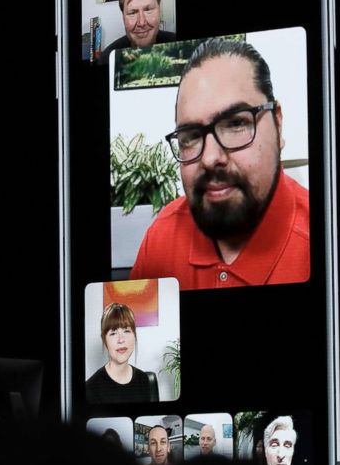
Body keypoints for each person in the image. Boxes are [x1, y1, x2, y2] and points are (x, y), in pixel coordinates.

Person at [129, 38, 309, 290]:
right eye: (190, 136)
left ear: (278, 124)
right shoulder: (161, 238)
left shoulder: (322, 241)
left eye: (236, 123)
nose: (210, 159)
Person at [84, 302, 157, 403]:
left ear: (134, 335)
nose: (121, 339)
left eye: (126, 331)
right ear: (104, 340)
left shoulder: (144, 380)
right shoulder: (90, 389)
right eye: (113, 333)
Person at [99, 0, 176, 64]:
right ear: (123, 17)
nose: (142, 22)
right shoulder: (107, 59)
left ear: (159, 9)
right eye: (133, 13)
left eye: (148, 10)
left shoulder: (181, 45)